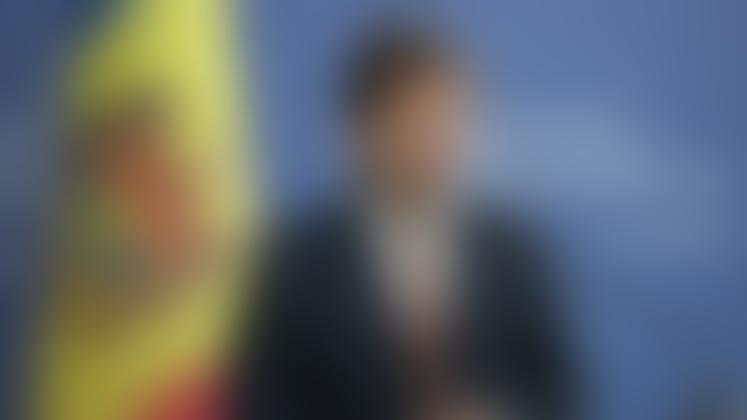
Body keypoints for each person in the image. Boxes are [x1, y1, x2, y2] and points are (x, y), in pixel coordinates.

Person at [238, 24, 574, 420]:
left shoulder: (512, 252)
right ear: (366, 127)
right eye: (416, 118)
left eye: (449, 117)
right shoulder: (303, 261)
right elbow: (268, 402)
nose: (436, 139)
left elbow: (556, 391)